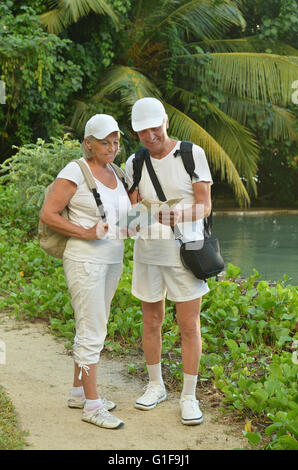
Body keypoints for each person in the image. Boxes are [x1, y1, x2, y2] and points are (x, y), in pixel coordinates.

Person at [125, 97, 213, 426]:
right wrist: (131, 220)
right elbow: (132, 212)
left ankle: (189, 396)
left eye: (153, 128)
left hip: (185, 251)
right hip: (148, 252)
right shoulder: (135, 162)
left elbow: (204, 205)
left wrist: (175, 214)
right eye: (141, 131)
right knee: (151, 322)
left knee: (189, 325)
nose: (149, 136)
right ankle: (155, 385)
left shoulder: (191, 154)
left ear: (165, 122)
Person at [40, 114, 131, 429]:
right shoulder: (74, 171)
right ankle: (93, 406)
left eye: (116, 141)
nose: (111, 147)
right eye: (105, 142)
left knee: (95, 323)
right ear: (88, 142)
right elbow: (49, 214)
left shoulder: (116, 172)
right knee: (92, 329)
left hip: (111, 259)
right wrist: (86, 232)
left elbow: (120, 218)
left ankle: (79, 392)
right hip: (84, 260)